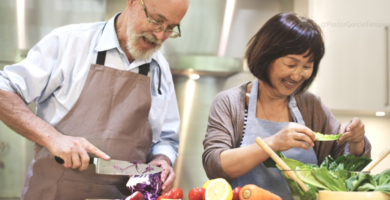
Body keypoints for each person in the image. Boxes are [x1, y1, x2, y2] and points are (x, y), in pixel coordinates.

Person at [0, 0, 189, 199]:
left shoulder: (160, 68)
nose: (160, 36)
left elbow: (166, 138)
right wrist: (52, 137)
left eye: (170, 29)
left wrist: (162, 158)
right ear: (133, 2)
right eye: (157, 22)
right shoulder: (69, 42)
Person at [202, 12, 371, 200]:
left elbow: (346, 169)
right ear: (266, 57)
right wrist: (273, 143)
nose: (298, 75)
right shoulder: (230, 102)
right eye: (291, 64)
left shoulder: (311, 105)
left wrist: (356, 141)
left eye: (307, 67)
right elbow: (215, 165)